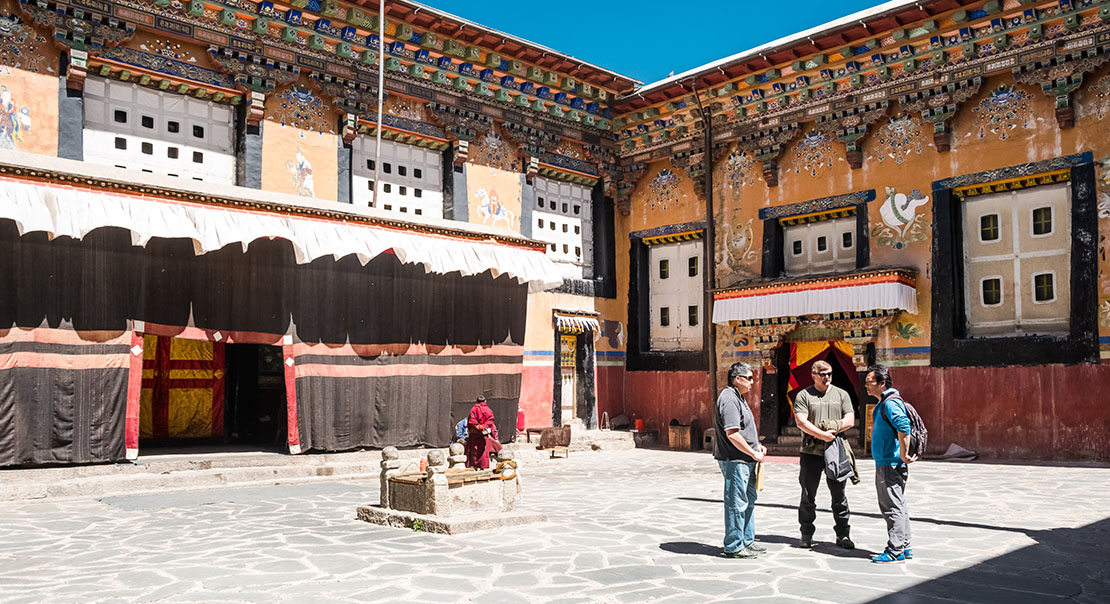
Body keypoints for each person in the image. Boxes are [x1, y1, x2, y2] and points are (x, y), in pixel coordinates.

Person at [793, 359, 855, 549]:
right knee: (808, 494)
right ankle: (806, 533)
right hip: (811, 451)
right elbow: (801, 421)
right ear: (813, 375)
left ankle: (843, 534)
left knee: (839, 495)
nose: (827, 377)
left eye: (829, 373)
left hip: (835, 450)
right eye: (822, 374)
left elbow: (850, 419)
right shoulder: (804, 395)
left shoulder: (841, 394)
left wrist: (831, 429)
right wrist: (821, 435)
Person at [864, 364, 918, 564]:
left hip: (890, 462)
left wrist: (903, 454)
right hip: (889, 461)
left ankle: (895, 549)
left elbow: (903, 425)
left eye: (869, 382)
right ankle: (904, 546)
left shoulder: (890, 403)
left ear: (882, 383)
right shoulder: (886, 402)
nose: (866, 387)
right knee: (898, 504)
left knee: (891, 506)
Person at [713, 362, 766, 559]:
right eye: (749, 378)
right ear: (738, 379)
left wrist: (756, 447)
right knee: (736, 503)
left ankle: (747, 540)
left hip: (746, 458)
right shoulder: (729, 399)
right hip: (735, 459)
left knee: (748, 501)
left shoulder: (739, 398)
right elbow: (732, 433)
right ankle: (734, 545)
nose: (753, 382)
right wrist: (753, 453)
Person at [465, 396, 498, 470]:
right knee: (483, 451)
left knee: (474, 450)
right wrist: (484, 426)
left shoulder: (473, 409)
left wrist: (477, 426)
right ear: (485, 401)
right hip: (483, 433)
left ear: (477, 401)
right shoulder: (488, 410)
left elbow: (471, 420)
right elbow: (490, 420)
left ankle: (474, 466)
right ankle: (482, 466)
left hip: (474, 432)